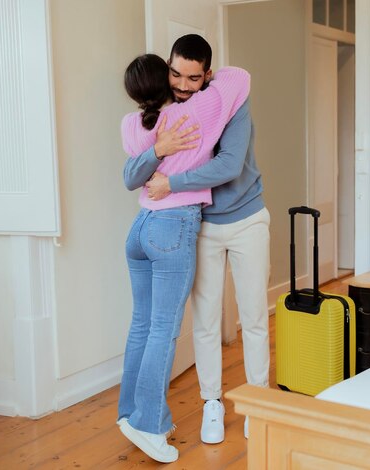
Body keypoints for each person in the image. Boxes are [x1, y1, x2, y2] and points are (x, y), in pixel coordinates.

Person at [123, 34, 270, 445]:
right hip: (201, 225)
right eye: (175, 74)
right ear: (166, 68)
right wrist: (158, 154)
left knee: (254, 317)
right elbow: (131, 170)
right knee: (204, 322)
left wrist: (172, 183)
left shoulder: (229, 101)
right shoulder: (165, 113)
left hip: (247, 220)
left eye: (193, 77)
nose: (183, 85)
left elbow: (229, 163)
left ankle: (258, 404)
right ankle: (211, 404)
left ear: (208, 74)